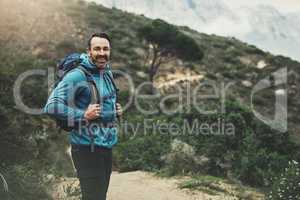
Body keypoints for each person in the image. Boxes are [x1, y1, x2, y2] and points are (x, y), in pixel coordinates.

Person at [44, 32, 122, 200]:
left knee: (100, 195)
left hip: (105, 146)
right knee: (93, 197)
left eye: (105, 49)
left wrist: (115, 111)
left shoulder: (105, 72)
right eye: (97, 49)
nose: (102, 53)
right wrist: (83, 115)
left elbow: (101, 104)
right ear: (89, 51)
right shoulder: (77, 75)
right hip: (86, 149)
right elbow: (51, 106)